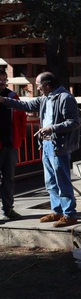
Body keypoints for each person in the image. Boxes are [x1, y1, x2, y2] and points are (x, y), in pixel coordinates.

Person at [0, 72, 80, 227]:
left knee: (62, 181)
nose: (37, 88)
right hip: (46, 144)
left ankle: (69, 214)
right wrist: (4, 100)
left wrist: (52, 128)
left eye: (38, 85)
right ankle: (57, 211)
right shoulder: (45, 98)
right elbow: (26, 106)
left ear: (47, 85)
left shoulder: (65, 98)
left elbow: (74, 122)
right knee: (50, 181)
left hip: (59, 147)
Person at [0, 70, 26, 221]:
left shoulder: (12, 96)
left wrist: (20, 138)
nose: (2, 83)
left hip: (10, 145)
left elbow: (22, 117)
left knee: (9, 178)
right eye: (0, 80)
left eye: (4, 80)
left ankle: (8, 208)